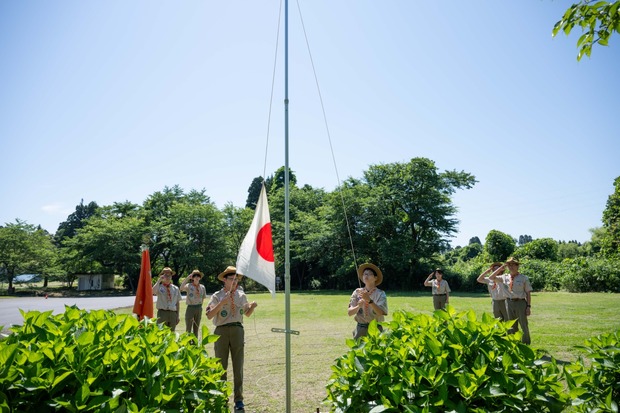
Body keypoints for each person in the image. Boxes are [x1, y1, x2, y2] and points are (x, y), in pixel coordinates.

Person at [206, 266, 257, 412]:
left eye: (236, 279)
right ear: (224, 280)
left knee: (238, 366)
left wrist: (252, 307)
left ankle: (239, 400)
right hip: (221, 331)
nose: (234, 282)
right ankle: (222, 397)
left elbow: (246, 313)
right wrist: (221, 302)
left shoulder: (241, 295)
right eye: (231, 279)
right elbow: (209, 315)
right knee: (221, 367)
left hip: (237, 330)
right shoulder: (217, 295)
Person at [489, 257, 533, 344]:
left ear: (517, 266)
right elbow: (491, 277)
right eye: (509, 265)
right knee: (511, 325)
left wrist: (528, 306)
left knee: (523, 324)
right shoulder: (504, 277)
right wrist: (501, 268)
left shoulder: (523, 278)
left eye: (513, 265)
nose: (511, 267)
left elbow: (528, 293)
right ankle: (514, 343)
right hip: (508, 303)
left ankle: (526, 344)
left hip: (520, 302)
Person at [348, 263, 388, 339]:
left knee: (376, 350)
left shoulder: (380, 294)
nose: (366, 276)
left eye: (369, 274)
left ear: (375, 278)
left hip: (376, 329)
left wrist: (369, 300)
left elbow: (380, 312)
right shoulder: (357, 292)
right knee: (359, 350)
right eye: (364, 274)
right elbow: (350, 313)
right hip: (360, 329)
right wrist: (358, 306)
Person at [180, 269, 207, 336]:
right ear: (192, 277)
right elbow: (181, 288)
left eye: (198, 275)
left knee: (196, 327)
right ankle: (188, 343)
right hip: (190, 308)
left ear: (200, 277)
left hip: (198, 307)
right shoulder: (189, 286)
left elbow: (203, 298)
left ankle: (195, 344)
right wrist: (187, 278)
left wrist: (200, 307)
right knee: (188, 327)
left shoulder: (202, 287)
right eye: (194, 276)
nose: (197, 277)